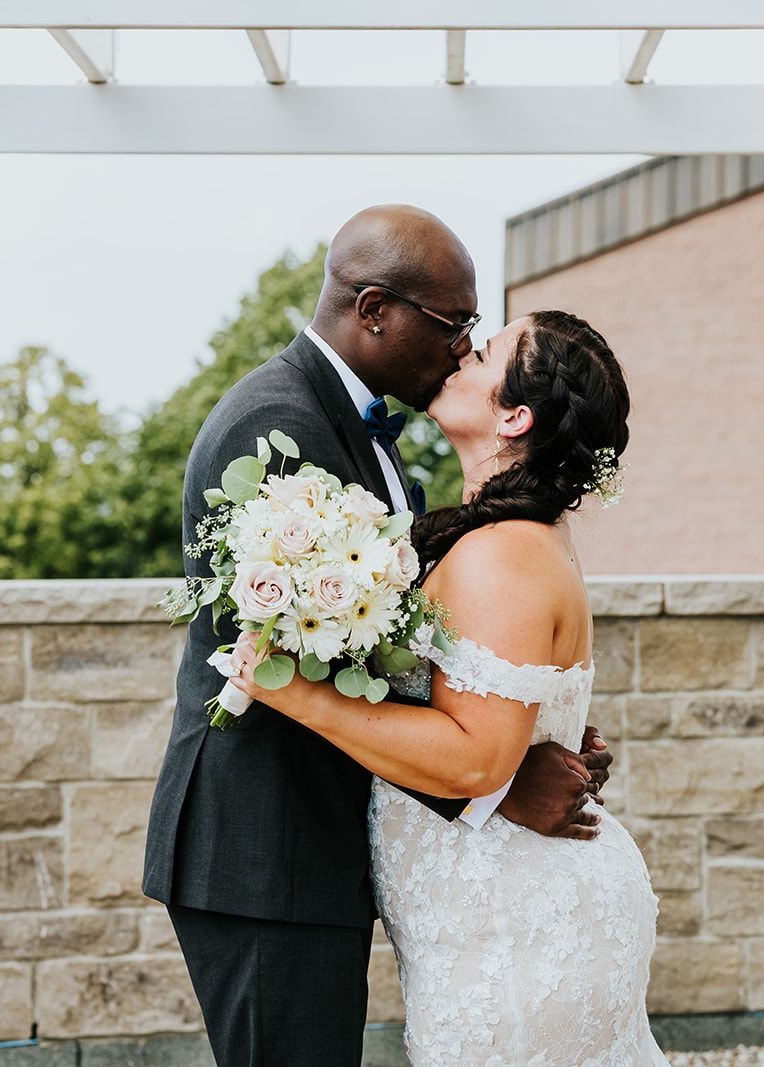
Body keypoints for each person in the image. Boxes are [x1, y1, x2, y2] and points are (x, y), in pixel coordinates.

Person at [142, 208, 615, 1066]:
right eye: (453, 326)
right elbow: (309, 657)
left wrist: (522, 727)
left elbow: (399, 653)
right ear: (372, 309)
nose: (460, 348)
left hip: (312, 849)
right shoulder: (276, 428)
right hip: (264, 848)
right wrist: (497, 778)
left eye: (477, 336)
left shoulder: (367, 434)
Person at [231, 309, 662, 1064]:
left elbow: (474, 761)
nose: (463, 351)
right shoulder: (507, 535)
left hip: (517, 926)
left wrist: (294, 693)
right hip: (496, 913)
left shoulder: (502, 554)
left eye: (486, 350)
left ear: (515, 414)